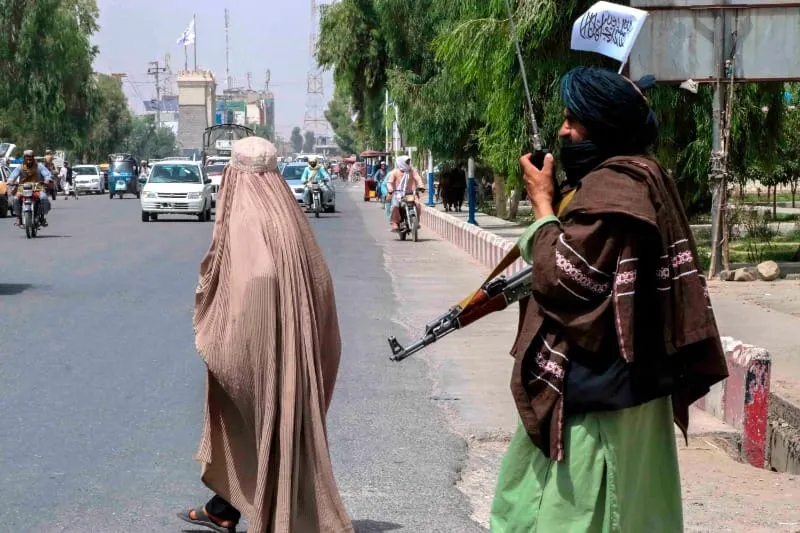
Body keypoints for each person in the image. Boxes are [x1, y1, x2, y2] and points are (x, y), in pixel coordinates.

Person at [489, 67, 729, 532]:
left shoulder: (611, 188)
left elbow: (566, 281)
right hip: (638, 382)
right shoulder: (645, 175)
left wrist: (541, 205)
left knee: (575, 511)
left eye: (573, 121)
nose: (563, 131)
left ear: (603, 126)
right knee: (637, 506)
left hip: (597, 389)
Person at [178, 137, 352, 533]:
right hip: (298, 343)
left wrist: (223, 338)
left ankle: (255, 511)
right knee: (270, 421)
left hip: (262, 345)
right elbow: (320, 279)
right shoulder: (289, 214)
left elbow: (253, 281)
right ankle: (225, 506)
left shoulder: (244, 216)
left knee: (261, 416)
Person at [8, 149, 53, 226]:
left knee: (44, 198)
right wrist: (11, 181)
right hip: (23, 187)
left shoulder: (39, 166)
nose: (28, 161)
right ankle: (18, 217)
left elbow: (47, 175)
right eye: (27, 159)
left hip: (37, 186)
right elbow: (12, 176)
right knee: (15, 199)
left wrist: (47, 180)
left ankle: (42, 217)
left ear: (33, 158)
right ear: (24, 158)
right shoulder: (20, 167)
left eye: (30, 159)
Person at [386, 155, 424, 231]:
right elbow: (389, 183)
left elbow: (418, 179)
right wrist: (390, 189)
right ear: (401, 162)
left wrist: (421, 186)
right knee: (395, 206)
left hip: (410, 193)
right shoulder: (395, 172)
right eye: (406, 162)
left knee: (418, 204)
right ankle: (395, 223)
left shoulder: (412, 171)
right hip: (398, 194)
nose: (408, 163)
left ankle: (417, 221)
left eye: (409, 161)